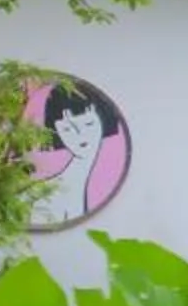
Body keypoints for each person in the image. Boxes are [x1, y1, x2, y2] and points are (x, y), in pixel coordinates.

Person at [30, 81, 124, 228]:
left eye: (88, 124)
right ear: (56, 132)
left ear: (103, 122)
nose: (80, 135)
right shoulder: (51, 196)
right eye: (67, 129)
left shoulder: (73, 185)